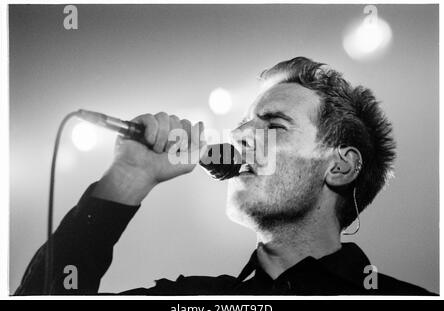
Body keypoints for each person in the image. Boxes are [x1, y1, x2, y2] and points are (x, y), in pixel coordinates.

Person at [15, 57, 433, 295]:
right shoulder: (193, 299)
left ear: (340, 166)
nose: (240, 136)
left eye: (274, 125)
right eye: (243, 124)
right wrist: (127, 177)